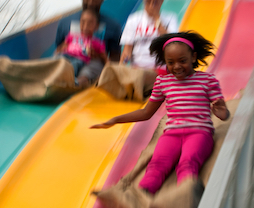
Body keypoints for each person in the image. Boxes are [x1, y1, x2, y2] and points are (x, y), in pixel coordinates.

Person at [91, 31, 230, 194]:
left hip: (199, 132)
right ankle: (141, 195)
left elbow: (223, 114)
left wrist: (222, 111)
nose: (176, 66)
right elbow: (146, 113)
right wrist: (116, 119)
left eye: (182, 61)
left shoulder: (207, 80)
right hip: (172, 134)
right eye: (170, 62)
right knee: (157, 164)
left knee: (188, 162)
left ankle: (183, 196)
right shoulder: (163, 82)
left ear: (193, 57)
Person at [56, 0, 123, 67]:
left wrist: (99, 57)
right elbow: (59, 48)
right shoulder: (65, 22)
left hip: (95, 71)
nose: (91, 2)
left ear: (102, 0)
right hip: (67, 66)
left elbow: (116, 57)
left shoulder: (113, 26)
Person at [120, 0, 179, 70]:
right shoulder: (134, 19)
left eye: (155, 1)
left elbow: (171, 42)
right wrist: (122, 65)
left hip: (161, 68)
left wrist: (156, 18)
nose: (151, 4)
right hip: (138, 68)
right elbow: (127, 49)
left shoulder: (170, 18)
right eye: (148, 0)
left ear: (162, 0)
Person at [56, 8, 107, 87]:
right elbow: (63, 46)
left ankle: (70, 81)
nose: (86, 26)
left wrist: (108, 68)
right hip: (67, 55)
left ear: (96, 27)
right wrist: (62, 49)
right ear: (79, 23)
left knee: (74, 66)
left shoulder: (96, 42)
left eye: (90, 23)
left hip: (80, 60)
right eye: (83, 22)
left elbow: (104, 58)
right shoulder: (72, 36)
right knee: (59, 59)